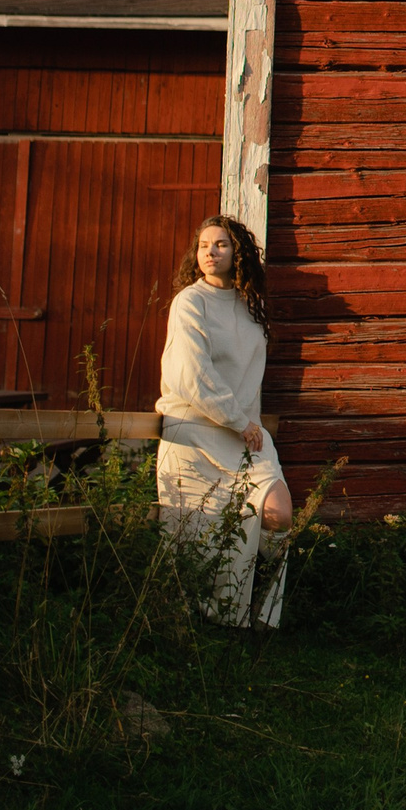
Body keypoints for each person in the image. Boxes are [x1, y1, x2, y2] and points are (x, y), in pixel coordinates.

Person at [156, 214, 293, 626]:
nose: (210, 252)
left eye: (220, 244)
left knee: (278, 513)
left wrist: (245, 424)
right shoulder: (189, 302)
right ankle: (215, 617)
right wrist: (239, 421)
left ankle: (253, 600)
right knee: (202, 529)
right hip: (195, 434)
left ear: (238, 253)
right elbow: (193, 375)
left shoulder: (251, 307)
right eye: (203, 245)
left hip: (244, 436)